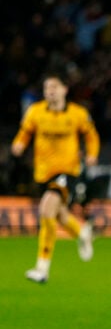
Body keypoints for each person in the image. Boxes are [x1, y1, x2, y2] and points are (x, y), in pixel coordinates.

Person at [10, 73, 100, 283]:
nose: (50, 91)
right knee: (59, 215)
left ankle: (42, 268)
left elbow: (91, 135)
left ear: (64, 90)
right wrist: (19, 144)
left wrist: (92, 154)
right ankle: (83, 232)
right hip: (43, 172)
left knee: (46, 208)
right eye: (46, 88)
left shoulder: (78, 114)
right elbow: (25, 132)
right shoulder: (35, 112)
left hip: (68, 172)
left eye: (54, 87)